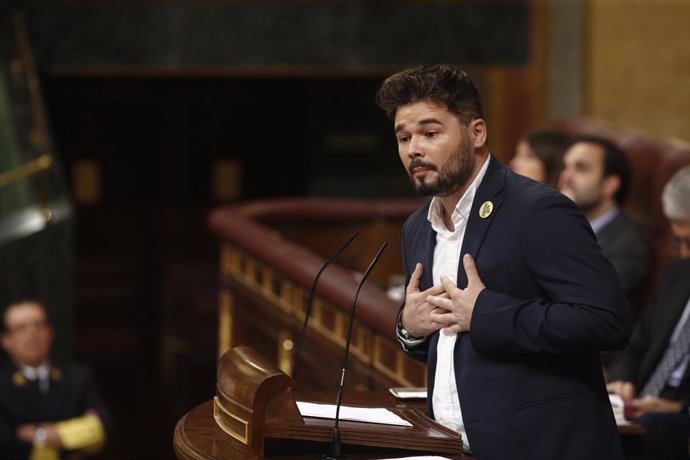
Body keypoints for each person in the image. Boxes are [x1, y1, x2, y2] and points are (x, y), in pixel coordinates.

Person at [376, 64, 631, 460]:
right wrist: (410, 329)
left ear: (476, 133)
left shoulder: (538, 210)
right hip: (452, 446)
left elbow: (606, 321)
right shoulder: (417, 227)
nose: (414, 149)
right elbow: (455, 345)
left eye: (430, 133)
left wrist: (486, 313)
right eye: (403, 137)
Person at [607, 165, 690, 460]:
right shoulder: (680, 270)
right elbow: (638, 340)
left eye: (689, 241)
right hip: (641, 402)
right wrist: (624, 379)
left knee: (654, 426)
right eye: (678, 240)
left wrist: (678, 408)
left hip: (676, 413)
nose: (684, 253)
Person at [0, 300, 111, 460]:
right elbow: (5, 441)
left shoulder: (77, 377)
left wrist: (40, 434)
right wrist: (76, 435)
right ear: (5, 340)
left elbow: (103, 426)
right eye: (21, 328)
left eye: (39, 325)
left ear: (50, 332)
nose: (32, 333)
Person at [559, 136, 651, 316]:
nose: (565, 177)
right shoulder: (556, 221)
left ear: (609, 185)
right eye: (565, 167)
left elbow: (580, 302)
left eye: (581, 168)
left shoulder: (629, 246)